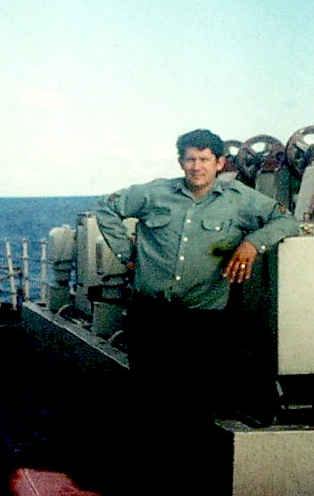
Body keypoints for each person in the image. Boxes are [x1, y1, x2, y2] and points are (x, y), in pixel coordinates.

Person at [94, 128, 299, 493]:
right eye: (190, 158)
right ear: (180, 162)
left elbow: (286, 221)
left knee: (196, 408)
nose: (197, 166)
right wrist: (129, 256)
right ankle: (146, 482)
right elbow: (106, 206)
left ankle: (188, 484)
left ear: (220, 163)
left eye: (205, 159)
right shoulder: (155, 193)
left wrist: (253, 243)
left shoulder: (239, 200)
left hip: (203, 320)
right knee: (148, 403)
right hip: (151, 316)